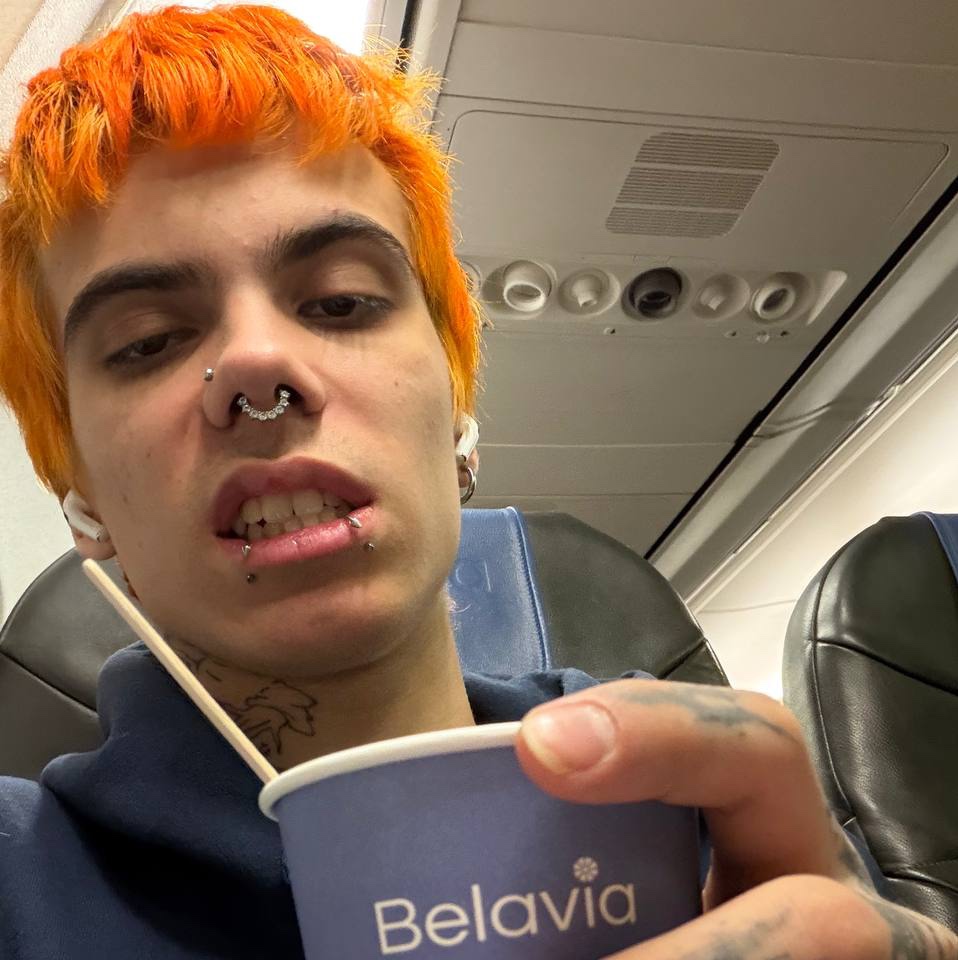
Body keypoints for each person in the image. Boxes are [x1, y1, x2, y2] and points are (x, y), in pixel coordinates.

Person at [0, 5, 953, 958]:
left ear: (458, 411)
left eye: (340, 301)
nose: (256, 365)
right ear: (79, 495)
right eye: (148, 342)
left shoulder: (703, 815)